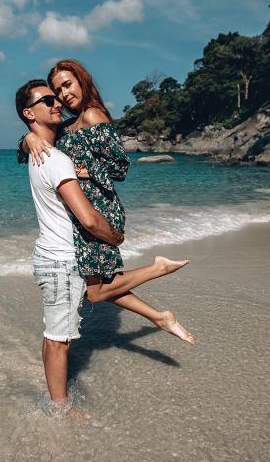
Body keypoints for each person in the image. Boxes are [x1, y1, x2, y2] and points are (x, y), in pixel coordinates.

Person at [16, 79, 191, 418]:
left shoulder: (47, 152)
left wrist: (33, 136)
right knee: (58, 339)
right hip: (62, 258)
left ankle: (158, 314)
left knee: (92, 297)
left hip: (56, 254)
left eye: (60, 94)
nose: (58, 102)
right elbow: (90, 219)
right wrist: (115, 237)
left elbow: (116, 167)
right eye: (49, 97)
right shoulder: (53, 158)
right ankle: (59, 410)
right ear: (29, 113)